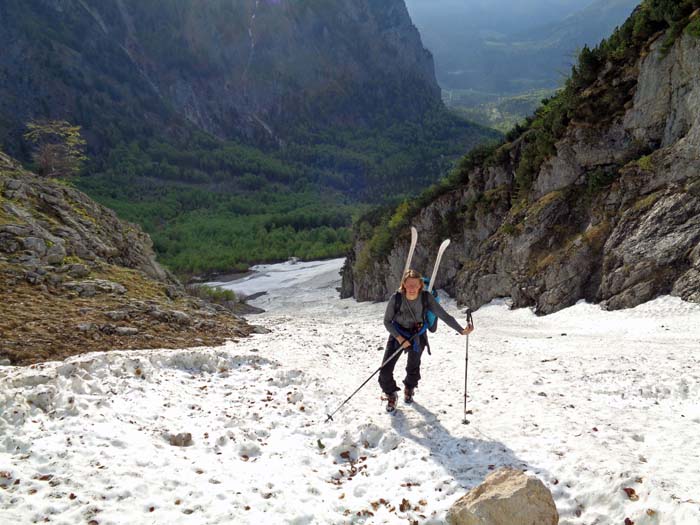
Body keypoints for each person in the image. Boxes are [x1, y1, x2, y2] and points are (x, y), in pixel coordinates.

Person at [379, 269, 474, 412]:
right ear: (403, 285)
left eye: (415, 285)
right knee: (385, 371)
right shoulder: (396, 298)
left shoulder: (426, 298)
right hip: (398, 334)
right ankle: (391, 393)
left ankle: (409, 388)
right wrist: (400, 339)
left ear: (420, 286)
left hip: (418, 336)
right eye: (408, 285)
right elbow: (387, 322)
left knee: (413, 366)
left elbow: (444, 316)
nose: (411, 288)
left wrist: (461, 330)